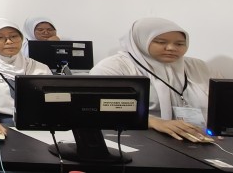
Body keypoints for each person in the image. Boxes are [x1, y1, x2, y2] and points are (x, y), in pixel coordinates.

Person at [90, 17, 218, 142]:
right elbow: (97, 109)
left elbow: (219, 104)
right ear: (140, 40)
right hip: (134, 140)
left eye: (179, 44)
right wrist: (152, 121)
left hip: (195, 139)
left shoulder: (199, 67)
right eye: (161, 42)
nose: (171, 48)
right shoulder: (113, 67)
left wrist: (218, 128)